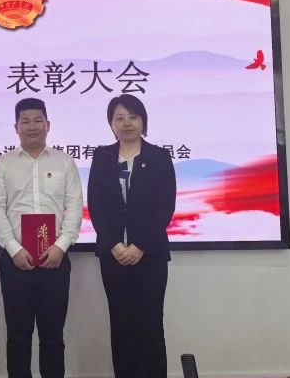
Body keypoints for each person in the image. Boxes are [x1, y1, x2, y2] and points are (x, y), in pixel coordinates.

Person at [0, 98, 84, 378]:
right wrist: (14, 249)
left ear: (48, 124)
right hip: (15, 262)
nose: (32, 126)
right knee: (18, 336)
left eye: (38, 120)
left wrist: (60, 246)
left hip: (55, 261)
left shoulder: (64, 162)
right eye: (25, 121)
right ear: (16, 127)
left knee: (53, 337)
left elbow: (75, 207)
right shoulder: (3, 164)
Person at [87, 93, 177, 378]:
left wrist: (141, 246)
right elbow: (96, 205)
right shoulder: (102, 157)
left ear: (143, 121)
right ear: (111, 124)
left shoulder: (159, 157)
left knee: (151, 324)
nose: (126, 123)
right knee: (121, 324)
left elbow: (165, 206)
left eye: (133, 117)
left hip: (150, 256)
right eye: (119, 118)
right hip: (113, 256)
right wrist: (114, 244)